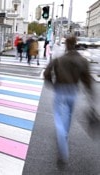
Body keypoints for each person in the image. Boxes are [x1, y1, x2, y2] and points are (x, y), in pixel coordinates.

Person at [44, 36, 94, 165]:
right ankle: (64, 137)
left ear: (66, 45)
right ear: (75, 44)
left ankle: (63, 149)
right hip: (73, 91)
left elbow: (47, 73)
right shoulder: (82, 60)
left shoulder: (59, 60)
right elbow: (87, 79)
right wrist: (90, 96)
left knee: (59, 119)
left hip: (60, 91)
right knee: (68, 117)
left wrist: (51, 83)